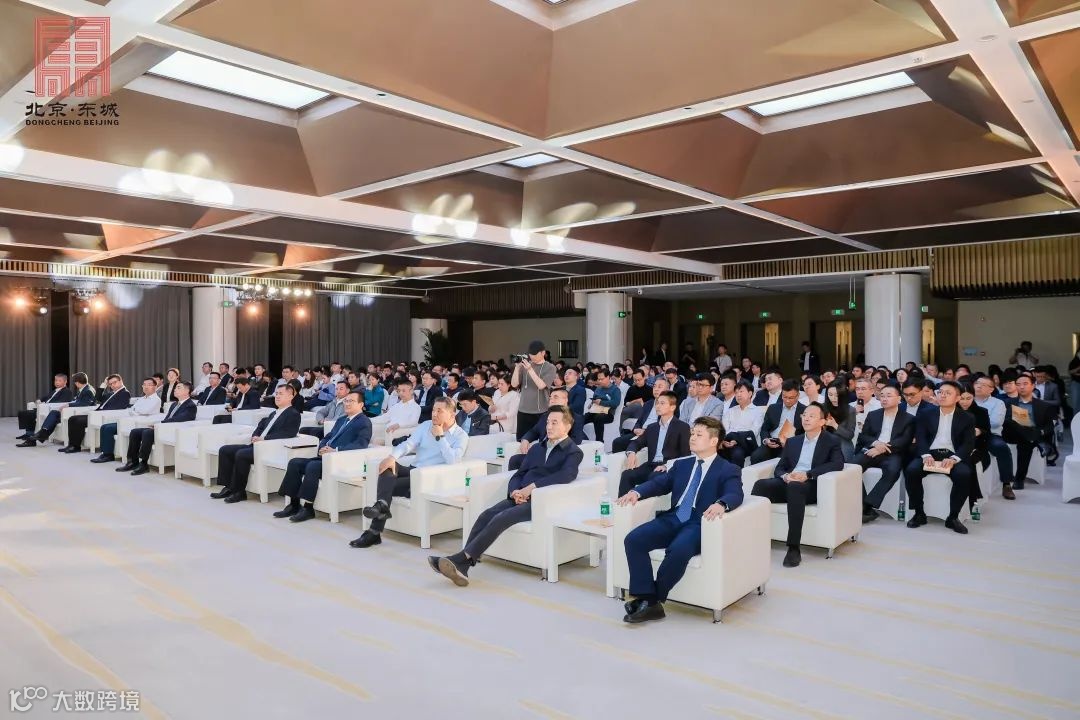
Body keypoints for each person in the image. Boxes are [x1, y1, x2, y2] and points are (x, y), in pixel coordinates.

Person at [428, 405, 583, 586]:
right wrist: (514, 491)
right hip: (519, 497)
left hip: (541, 502)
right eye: (548, 422)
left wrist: (532, 488)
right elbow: (519, 474)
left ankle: (461, 560)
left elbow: (566, 475)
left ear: (567, 426)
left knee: (501, 517)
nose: (548, 426)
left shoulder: (573, 451)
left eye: (554, 423)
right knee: (486, 515)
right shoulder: (537, 449)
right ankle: (463, 564)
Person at [618, 416, 743, 624]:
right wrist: (637, 492)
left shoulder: (728, 468)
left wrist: (722, 504)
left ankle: (652, 600)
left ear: (714, 441)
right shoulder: (682, 464)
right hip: (674, 516)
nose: (692, 437)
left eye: (698, 434)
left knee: (678, 549)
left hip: (699, 522)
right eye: (692, 433)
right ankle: (647, 598)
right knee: (634, 539)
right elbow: (660, 484)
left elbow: (735, 493)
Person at [351, 396, 468, 549]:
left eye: (439, 411)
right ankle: (382, 507)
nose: (434, 414)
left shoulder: (461, 436)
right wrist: (392, 457)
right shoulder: (426, 425)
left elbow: (453, 461)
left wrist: (440, 436)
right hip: (413, 470)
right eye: (433, 410)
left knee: (387, 485)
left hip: (428, 478)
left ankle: (374, 531)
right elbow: (408, 444)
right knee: (388, 467)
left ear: (452, 415)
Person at [751, 403, 844, 567]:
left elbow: (838, 463)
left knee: (795, 488)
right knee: (761, 485)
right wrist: (786, 476)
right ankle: (753, 538)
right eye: (804, 415)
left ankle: (793, 548)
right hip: (790, 482)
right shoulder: (793, 441)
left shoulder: (831, 441)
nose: (806, 418)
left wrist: (808, 474)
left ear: (822, 421)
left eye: (812, 416)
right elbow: (780, 467)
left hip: (812, 485)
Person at [274, 391, 372, 523]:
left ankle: (308, 508)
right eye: (346, 401)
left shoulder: (364, 422)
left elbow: (361, 444)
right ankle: (294, 504)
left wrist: (335, 450)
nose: (347, 404)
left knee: (312, 466)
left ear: (361, 404)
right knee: (294, 463)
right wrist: (322, 447)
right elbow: (328, 436)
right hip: (325, 457)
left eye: (351, 401)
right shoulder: (342, 420)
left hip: (340, 461)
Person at [903, 381, 975, 534]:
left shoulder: (967, 417)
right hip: (930, 453)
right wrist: (926, 455)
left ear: (957, 398)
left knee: (964, 474)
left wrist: (954, 459)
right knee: (911, 470)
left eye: (948, 393)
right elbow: (921, 437)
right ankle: (919, 513)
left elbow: (968, 444)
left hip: (952, 455)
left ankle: (953, 517)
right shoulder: (926, 414)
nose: (942, 395)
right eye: (940, 392)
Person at [210, 385, 303, 502]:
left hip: (270, 448)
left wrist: (264, 439)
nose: (277, 396)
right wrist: (255, 436)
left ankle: (239, 492)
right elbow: (260, 426)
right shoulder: (274, 413)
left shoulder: (293, 414)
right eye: (276, 393)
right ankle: (228, 487)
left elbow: (288, 433)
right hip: (257, 445)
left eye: (281, 394)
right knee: (225, 450)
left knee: (241, 454)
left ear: (290, 397)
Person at [853, 382, 914, 522]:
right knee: (852, 468)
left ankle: (868, 505)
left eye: (889, 396)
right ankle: (862, 504)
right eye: (882, 396)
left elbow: (904, 440)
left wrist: (882, 448)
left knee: (893, 471)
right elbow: (864, 436)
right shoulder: (873, 415)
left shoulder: (909, 419)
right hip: (872, 449)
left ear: (899, 399)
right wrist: (876, 444)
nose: (884, 399)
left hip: (893, 453)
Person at [618, 391, 690, 495]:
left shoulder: (682, 427)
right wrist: (631, 453)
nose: (658, 406)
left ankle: (636, 499)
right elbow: (637, 442)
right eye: (657, 403)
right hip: (651, 465)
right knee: (627, 475)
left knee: (654, 476)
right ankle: (624, 503)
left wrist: (667, 466)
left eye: (662, 403)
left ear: (672, 407)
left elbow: (685, 456)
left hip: (668, 468)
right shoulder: (652, 427)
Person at [118, 383, 198, 474]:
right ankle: (132, 461)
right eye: (175, 387)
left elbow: (180, 419)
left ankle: (144, 464)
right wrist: (159, 425)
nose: (175, 389)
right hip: (163, 428)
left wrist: (159, 425)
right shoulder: (174, 404)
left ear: (187, 391)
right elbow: (168, 418)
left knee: (147, 433)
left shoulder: (190, 406)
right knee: (134, 432)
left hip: (173, 431)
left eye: (178, 387)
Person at [90, 378, 165, 463]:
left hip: (141, 424)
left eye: (149, 385)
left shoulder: (156, 399)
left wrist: (135, 411)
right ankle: (104, 453)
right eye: (144, 385)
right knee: (104, 427)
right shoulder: (142, 399)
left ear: (155, 387)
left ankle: (108, 455)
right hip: (130, 421)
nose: (146, 387)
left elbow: (145, 411)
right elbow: (132, 409)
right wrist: (136, 411)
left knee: (109, 429)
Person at [1002, 372, 1055, 490]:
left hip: (1031, 435)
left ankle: (1019, 479)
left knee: (1025, 442)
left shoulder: (1043, 405)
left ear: (1033, 386)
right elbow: (1005, 421)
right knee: (1011, 421)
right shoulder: (1008, 403)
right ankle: (1033, 439)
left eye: (1025, 384)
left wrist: (1040, 432)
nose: (1021, 387)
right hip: (1012, 433)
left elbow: (1049, 426)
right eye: (1018, 384)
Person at [60, 375, 132, 454]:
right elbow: (97, 398)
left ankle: (75, 446)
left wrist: (99, 413)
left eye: (114, 382)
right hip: (97, 414)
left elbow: (118, 408)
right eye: (110, 384)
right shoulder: (111, 393)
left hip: (104, 416)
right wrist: (104, 384)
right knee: (72, 418)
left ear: (121, 381)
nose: (112, 385)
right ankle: (72, 445)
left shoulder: (125, 393)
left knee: (78, 421)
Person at [511, 341, 557, 442]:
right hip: (523, 410)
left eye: (535, 354)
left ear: (543, 353)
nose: (532, 356)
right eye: (530, 354)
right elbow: (514, 384)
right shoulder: (525, 366)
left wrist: (530, 370)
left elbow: (541, 385)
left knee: (540, 442)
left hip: (540, 411)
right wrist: (517, 368)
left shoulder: (550, 367)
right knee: (521, 441)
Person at [749, 380, 804, 464]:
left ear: (798, 395)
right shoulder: (773, 408)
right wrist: (766, 440)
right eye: (784, 397)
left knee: (782, 461)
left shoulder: (804, 410)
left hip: (791, 444)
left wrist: (792, 443)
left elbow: (805, 433)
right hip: (773, 442)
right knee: (756, 456)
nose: (787, 400)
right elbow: (764, 429)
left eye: (791, 398)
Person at [718, 380, 763, 468]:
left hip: (747, 443)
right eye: (736, 392)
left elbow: (753, 432)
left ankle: (735, 475)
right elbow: (724, 429)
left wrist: (736, 440)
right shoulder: (731, 411)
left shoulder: (758, 411)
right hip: (728, 441)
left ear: (750, 394)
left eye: (741, 391)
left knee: (737, 453)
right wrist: (725, 441)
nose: (738, 395)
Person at [16, 373, 73, 440]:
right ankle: (28, 433)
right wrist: (39, 400)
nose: (57, 382)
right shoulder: (55, 391)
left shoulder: (67, 391)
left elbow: (60, 402)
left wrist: (44, 404)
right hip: (43, 408)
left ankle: (30, 434)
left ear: (65, 381)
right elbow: (45, 398)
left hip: (51, 410)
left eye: (59, 381)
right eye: (56, 380)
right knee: (24, 413)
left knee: (29, 414)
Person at [584, 368, 621, 444]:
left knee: (598, 418)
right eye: (598, 379)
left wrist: (601, 402)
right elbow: (594, 398)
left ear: (608, 377)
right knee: (581, 419)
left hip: (608, 414)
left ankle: (599, 442)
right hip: (595, 411)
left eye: (602, 379)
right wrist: (592, 403)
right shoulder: (598, 388)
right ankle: (580, 439)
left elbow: (615, 403)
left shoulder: (615, 390)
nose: (600, 381)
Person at [384, 380, 422, 444]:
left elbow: (413, 422)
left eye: (403, 391)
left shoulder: (416, 407)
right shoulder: (396, 406)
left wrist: (399, 425)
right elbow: (385, 417)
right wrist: (369, 420)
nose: (401, 393)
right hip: (388, 433)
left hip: (398, 434)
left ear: (411, 391)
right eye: (399, 391)